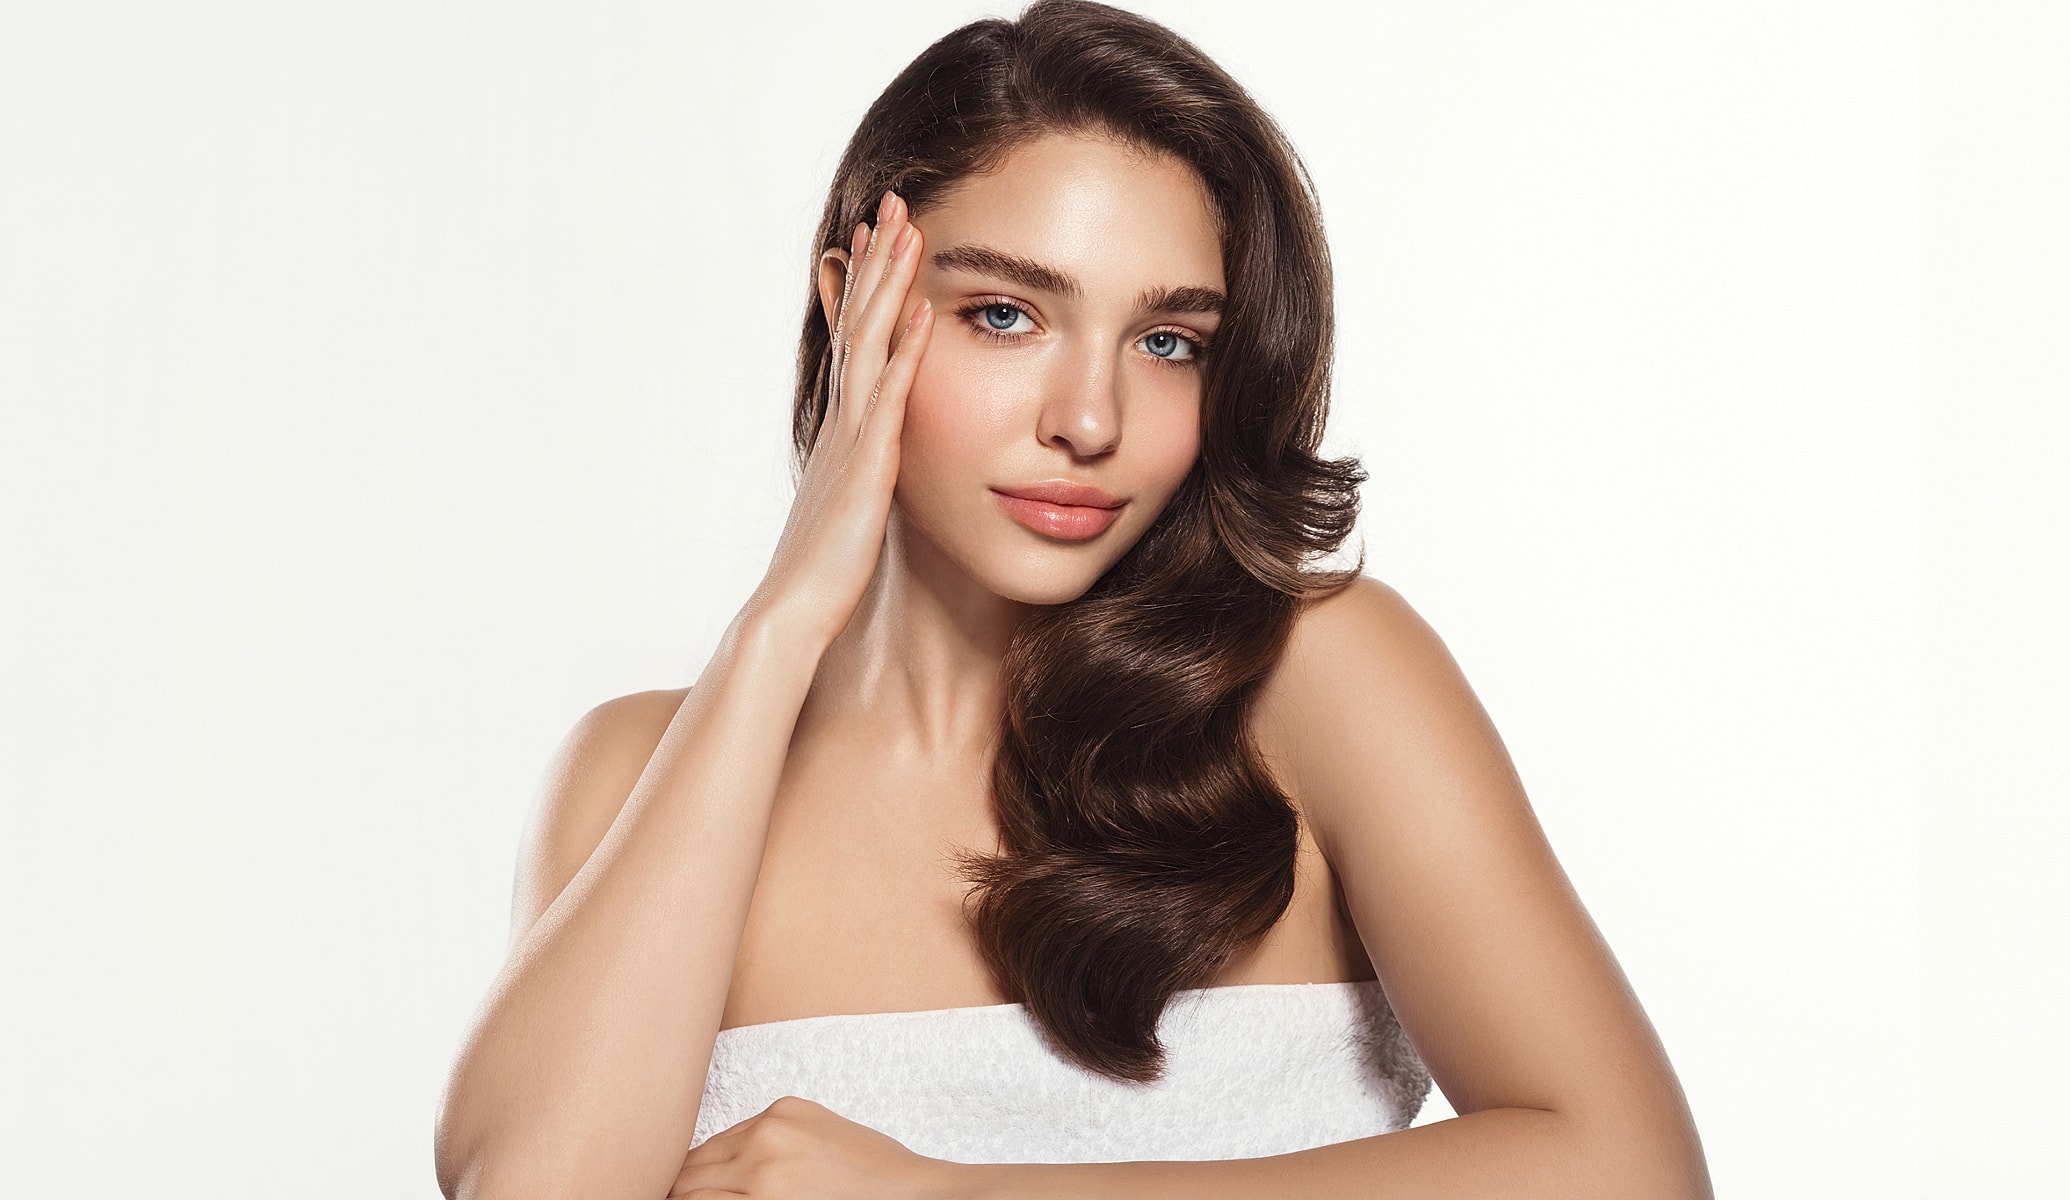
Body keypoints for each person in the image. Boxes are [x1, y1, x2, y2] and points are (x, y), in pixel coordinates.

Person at [434, 3, 1711, 1197]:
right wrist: (777, 630)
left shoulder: (1313, 680)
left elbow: (1627, 1168)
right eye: (1004, 314)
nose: (1090, 420)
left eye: (1169, 344)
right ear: (852, 312)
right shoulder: (639, 773)